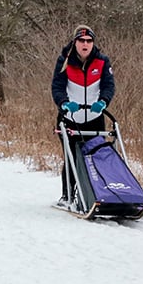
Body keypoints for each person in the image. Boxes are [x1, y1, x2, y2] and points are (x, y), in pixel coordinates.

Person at [51, 25, 115, 207]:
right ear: (75, 42)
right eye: (81, 41)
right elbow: (57, 87)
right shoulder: (64, 61)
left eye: (89, 41)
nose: (85, 44)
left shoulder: (102, 61)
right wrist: (63, 103)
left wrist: (103, 101)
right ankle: (68, 195)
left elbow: (109, 86)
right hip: (70, 119)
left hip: (94, 118)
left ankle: (97, 194)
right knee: (72, 157)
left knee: (96, 157)